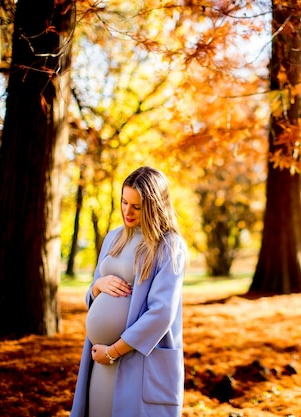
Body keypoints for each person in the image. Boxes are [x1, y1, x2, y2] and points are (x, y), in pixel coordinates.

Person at [70, 166, 187, 417]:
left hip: (136, 361)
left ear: (154, 206)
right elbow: (92, 293)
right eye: (124, 201)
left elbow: (161, 313)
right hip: (100, 361)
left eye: (136, 206)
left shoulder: (169, 246)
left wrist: (113, 352)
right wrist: (98, 287)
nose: (127, 211)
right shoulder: (113, 237)